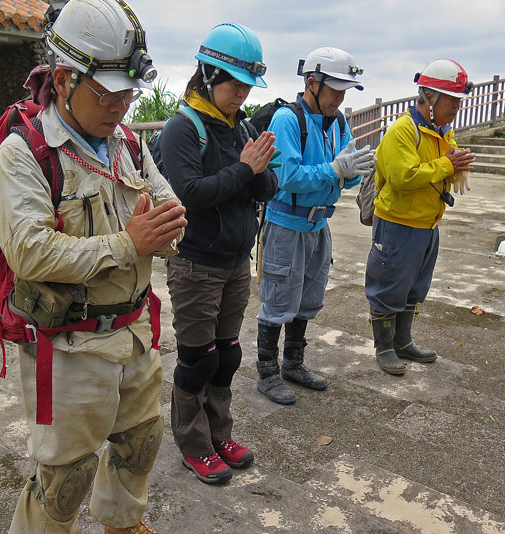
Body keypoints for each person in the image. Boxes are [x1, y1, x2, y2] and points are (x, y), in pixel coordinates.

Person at [0, 0, 187, 532]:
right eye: (107, 92)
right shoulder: (24, 153)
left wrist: (163, 231)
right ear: (64, 79)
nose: (120, 105)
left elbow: (167, 215)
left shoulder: (127, 146)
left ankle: (123, 524)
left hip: (134, 333)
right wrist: (129, 243)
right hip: (69, 346)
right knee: (64, 475)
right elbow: (29, 251)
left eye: (128, 93)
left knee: (138, 444)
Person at [159, 23, 278, 484]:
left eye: (247, 87)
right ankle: (193, 443)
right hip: (195, 263)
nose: (242, 95)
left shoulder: (241, 125)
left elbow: (265, 185)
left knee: (227, 354)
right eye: (235, 84)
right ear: (208, 74)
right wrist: (245, 168)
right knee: (198, 358)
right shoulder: (181, 129)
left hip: (234, 262)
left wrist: (259, 169)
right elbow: (188, 193)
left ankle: (219, 433)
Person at [255, 47, 375, 405]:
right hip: (286, 223)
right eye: (335, 91)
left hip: (319, 224)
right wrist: (335, 170)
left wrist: (352, 173)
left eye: (344, 93)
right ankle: (266, 371)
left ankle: (293, 362)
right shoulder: (287, 120)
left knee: (309, 296)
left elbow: (342, 180)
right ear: (312, 83)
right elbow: (287, 176)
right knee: (278, 297)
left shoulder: (337, 122)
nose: (339, 99)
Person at [365, 58, 476, 376]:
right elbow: (402, 176)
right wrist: (448, 165)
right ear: (430, 98)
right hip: (398, 223)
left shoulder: (441, 132)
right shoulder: (404, 129)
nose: (456, 107)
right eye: (451, 100)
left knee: (414, 286)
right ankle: (384, 347)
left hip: (427, 224)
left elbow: (447, 160)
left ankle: (402, 341)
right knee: (388, 284)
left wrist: (459, 160)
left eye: (458, 101)